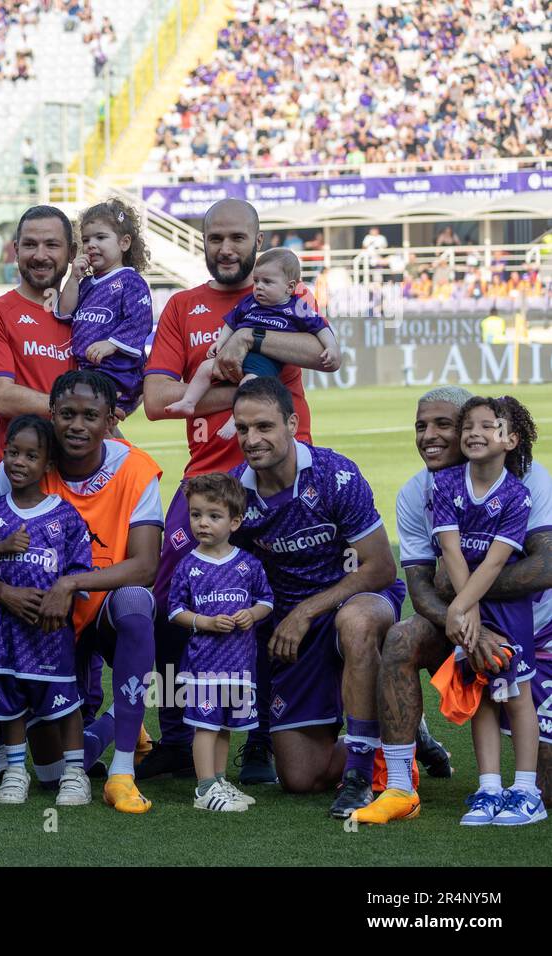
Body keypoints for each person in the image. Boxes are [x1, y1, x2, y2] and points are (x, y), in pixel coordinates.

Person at [141, 198, 319, 786]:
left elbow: (323, 354)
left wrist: (252, 338)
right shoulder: (183, 306)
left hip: (280, 482)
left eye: (237, 237)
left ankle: (264, 740)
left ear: (257, 239)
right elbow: (159, 401)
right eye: (215, 237)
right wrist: (246, 380)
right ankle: (176, 735)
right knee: (167, 598)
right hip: (206, 483)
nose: (226, 248)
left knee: (276, 606)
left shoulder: (286, 298)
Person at [360, 386, 552, 825]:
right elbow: (423, 587)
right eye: (421, 426)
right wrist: (469, 626)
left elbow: (546, 566)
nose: (430, 435)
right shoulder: (418, 493)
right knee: (403, 637)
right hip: (462, 624)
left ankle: (523, 791)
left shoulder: (527, 480)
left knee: (548, 785)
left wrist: (460, 594)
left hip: (536, 629)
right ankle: (399, 788)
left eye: (444, 424)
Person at [0, 370, 164, 812]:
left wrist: (71, 582)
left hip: (101, 609)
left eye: (90, 416)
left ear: (110, 419)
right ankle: (120, 720)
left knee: (137, 602)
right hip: (40, 623)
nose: (78, 426)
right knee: (51, 774)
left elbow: (145, 565)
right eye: (67, 414)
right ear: (51, 414)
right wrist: (6, 594)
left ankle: (121, 772)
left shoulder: (134, 468)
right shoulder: (21, 464)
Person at [227, 376, 404, 817]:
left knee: (356, 624)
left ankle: (361, 776)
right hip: (293, 625)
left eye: (264, 427)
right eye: (243, 428)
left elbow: (381, 567)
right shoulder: (236, 491)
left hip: (359, 598)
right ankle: (402, 730)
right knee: (301, 778)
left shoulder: (334, 475)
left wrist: (307, 610)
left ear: (292, 422)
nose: (252, 439)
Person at [0, 415, 94, 806]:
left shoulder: (65, 516)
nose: (19, 461)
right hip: (5, 633)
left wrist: (60, 597)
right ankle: (15, 771)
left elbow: (80, 571)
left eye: (31, 455)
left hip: (51, 634)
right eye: (12, 452)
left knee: (64, 702)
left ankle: (74, 773)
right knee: (9, 700)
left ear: (48, 464)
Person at [430, 396, 545, 826]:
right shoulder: (445, 485)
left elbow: (496, 561)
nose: (475, 433)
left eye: (488, 426)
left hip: (507, 610)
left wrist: (460, 608)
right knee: (481, 696)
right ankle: (490, 788)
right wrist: (467, 612)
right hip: (470, 604)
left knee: (516, 695)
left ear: (511, 439)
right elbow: (451, 550)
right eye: (468, 427)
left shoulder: (516, 494)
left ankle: (527, 791)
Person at [166, 474, 273, 812]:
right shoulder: (188, 566)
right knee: (205, 726)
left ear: (235, 521)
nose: (203, 523)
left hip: (239, 666)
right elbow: (174, 611)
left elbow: (267, 601)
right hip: (204, 667)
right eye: (196, 515)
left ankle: (220, 780)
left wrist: (251, 615)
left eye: (214, 516)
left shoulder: (248, 564)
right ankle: (204, 788)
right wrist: (204, 622)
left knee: (225, 726)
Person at [165, 248, 340, 440]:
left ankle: (236, 419)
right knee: (206, 367)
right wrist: (220, 342)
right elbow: (230, 323)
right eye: (256, 281)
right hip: (234, 355)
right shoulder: (250, 302)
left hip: (264, 361)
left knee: (249, 383)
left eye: (267, 282)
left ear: (289, 287)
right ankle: (189, 402)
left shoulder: (297, 306)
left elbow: (321, 328)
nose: (259, 287)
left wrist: (331, 347)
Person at [0, 206, 78, 456]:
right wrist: (79, 409)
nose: (40, 255)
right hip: (25, 483)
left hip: (87, 480)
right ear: (16, 250)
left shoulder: (89, 316)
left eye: (52, 245)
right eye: (30, 245)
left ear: (71, 252)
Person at [53, 198, 154, 418]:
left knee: (94, 418)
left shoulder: (130, 281)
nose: (91, 244)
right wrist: (73, 279)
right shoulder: (86, 283)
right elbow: (65, 312)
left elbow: (139, 320)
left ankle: (123, 436)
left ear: (124, 243)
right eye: (86, 239)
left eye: (101, 237)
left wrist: (111, 344)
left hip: (115, 370)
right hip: (86, 370)